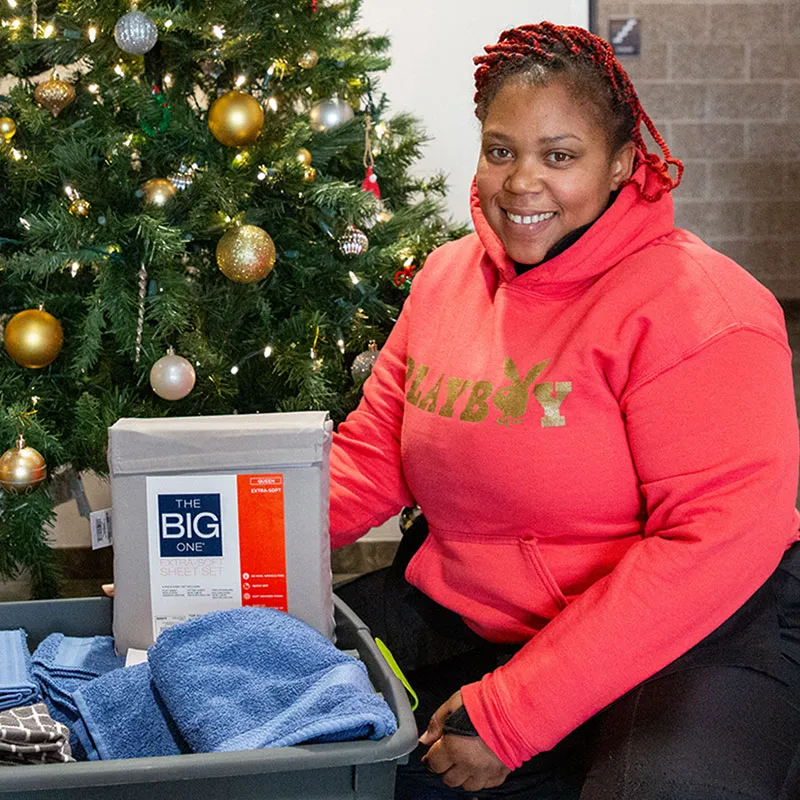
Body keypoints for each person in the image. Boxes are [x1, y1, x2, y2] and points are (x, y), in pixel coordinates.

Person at [330, 21, 800, 799]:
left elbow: (713, 542)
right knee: (272, 702)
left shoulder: (705, 309)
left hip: (695, 632)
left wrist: (514, 713)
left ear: (620, 164)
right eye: (501, 149)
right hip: (478, 614)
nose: (521, 182)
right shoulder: (448, 279)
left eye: (559, 155)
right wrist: (201, 565)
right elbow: (369, 460)